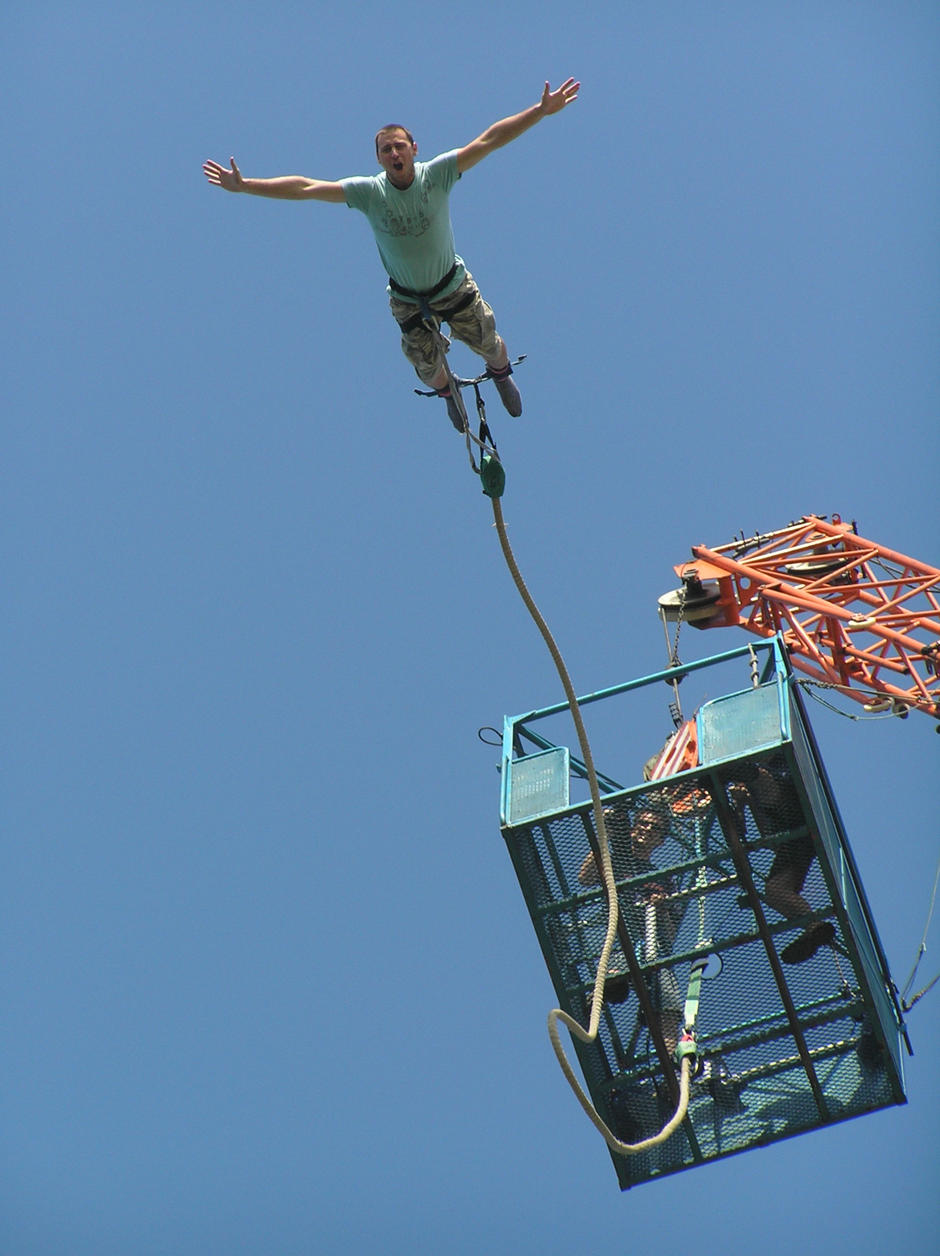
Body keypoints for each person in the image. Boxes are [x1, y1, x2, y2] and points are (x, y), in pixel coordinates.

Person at [202, 79, 580, 430]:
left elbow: (489, 141)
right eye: (387, 150)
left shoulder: (437, 174)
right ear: (380, 159)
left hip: (451, 284)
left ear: (414, 149)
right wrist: (247, 185)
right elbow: (305, 188)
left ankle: (501, 375)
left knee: (488, 341)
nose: (394, 152)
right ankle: (448, 390)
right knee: (425, 366)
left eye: (400, 146)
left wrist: (540, 111)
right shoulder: (369, 192)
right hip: (407, 298)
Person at [579, 805, 684, 1056]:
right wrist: (604, 836)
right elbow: (585, 877)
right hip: (619, 936)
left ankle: (671, 1063)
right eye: (643, 824)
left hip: (653, 945)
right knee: (615, 970)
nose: (647, 830)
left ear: (661, 841)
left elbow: (669, 934)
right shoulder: (616, 858)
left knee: (668, 1006)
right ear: (634, 827)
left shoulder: (663, 878)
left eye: (655, 828)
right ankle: (606, 991)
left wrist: (662, 907)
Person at [728, 760, 835, 964]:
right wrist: (743, 803)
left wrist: (749, 778)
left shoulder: (774, 763)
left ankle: (748, 770)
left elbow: (772, 782)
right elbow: (765, 836)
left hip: (796, 802)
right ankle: (813, 927)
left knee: (766, 786)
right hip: (796, 839)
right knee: (775, 892)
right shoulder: (751, 794)